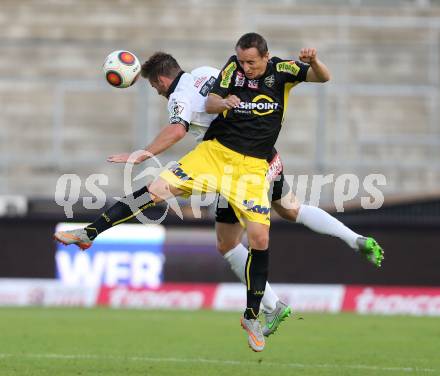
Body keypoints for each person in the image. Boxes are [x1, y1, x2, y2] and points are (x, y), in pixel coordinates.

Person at [54, 33, 383, 351]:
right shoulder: (209, 72)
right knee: (231, 241)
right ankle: (273, 303)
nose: (157, 93)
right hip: (223, 156)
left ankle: (274, 299)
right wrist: (223, 102)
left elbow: (178, 127)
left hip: (250, 160)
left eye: (155, 88)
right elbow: (217, 98)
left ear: (162, 81)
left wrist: (144, 152)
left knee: (281, 216)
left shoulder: (185, 96)